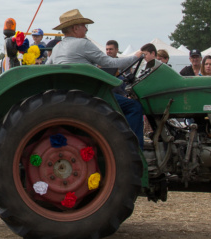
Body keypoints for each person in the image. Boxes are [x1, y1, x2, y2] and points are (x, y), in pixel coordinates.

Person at [46, 9, 145, 144]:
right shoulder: (83, 43)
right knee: (134, 107)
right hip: (88, 94)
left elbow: (47, 69)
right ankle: (134, 147)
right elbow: (109, 62)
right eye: (84, 26)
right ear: (75, 28)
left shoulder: (57, 48)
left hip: (65, 95)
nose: (86, 30)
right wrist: (135, 58)